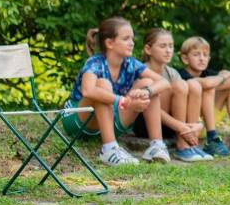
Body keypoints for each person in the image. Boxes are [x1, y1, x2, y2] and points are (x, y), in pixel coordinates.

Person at [62, 18, 171, 165]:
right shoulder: (95, 62)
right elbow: (88, 91)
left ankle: (156, 146)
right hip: (78, 120)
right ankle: (109, 149)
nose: (132, 42)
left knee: (147, 84)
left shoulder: (131, 63)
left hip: (110, 119)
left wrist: (146, 91)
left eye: (132, 38)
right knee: (102, 84)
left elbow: (164, 82)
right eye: (126, 38)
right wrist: (122, 100)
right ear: (109, 43)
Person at [177, 36, 230, 157]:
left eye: (205, 55)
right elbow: (208, 84)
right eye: (196, 54)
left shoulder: (207, 73)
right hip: (192, 126)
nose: (202, 58)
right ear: (185, 58)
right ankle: (211, 139)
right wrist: (221, 78)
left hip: (207, 120)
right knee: (209, 89)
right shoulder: (181, 75)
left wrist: (215, 83)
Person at [138, 28, 211, 162]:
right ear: (148, 49)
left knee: (193, 85)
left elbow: (187, 100)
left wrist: (199, 124)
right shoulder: (141, 71)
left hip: (176, 126)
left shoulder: (171, 72)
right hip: (148, 125)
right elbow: (147, 107)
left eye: (171, 46)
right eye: (163, 46)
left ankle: (190, 146)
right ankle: (182, 146)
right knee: (180, 85)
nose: (168, 50)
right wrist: (181, 127)